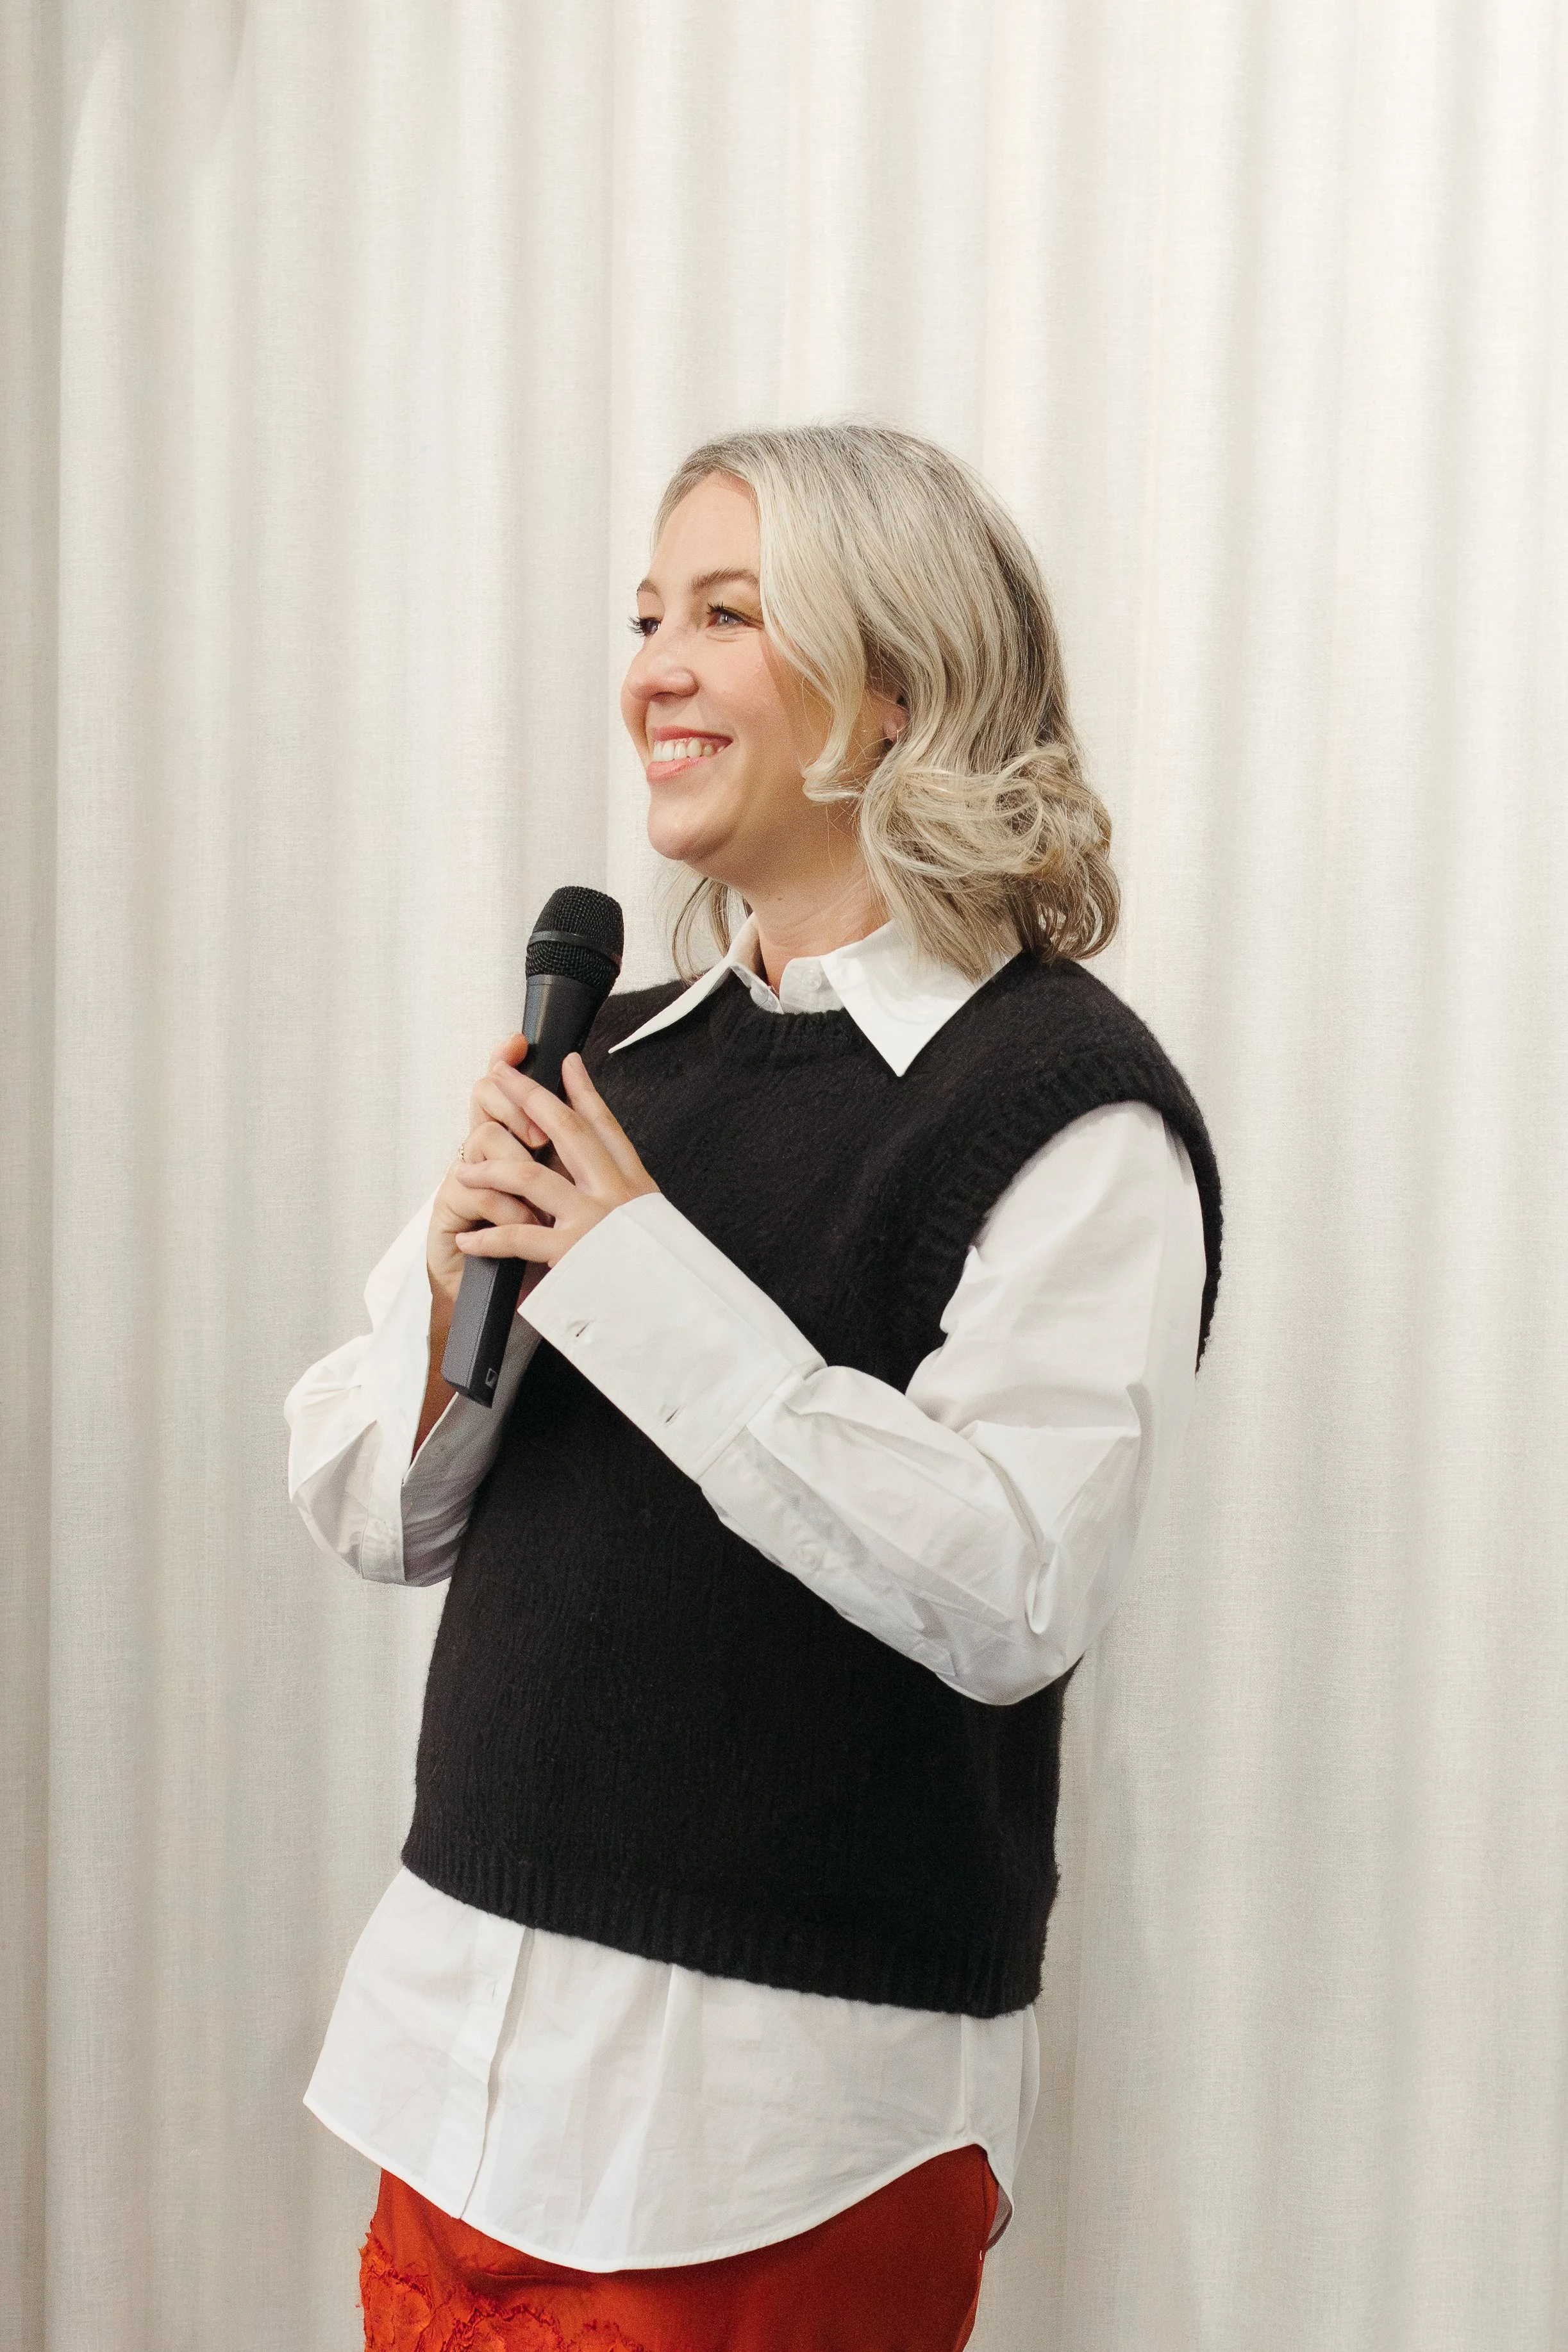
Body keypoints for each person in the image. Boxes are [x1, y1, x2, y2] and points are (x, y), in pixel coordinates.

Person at [285, 421, 1222, 2352]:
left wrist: (638, 1283)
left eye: (726, 612)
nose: (654, 665)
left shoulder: (1058, 1105)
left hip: (769, 2154)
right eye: (648, 613)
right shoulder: (606, 1059)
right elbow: (380, 1510)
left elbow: (1013, 1588)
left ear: (895, 683)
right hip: (448, 2085)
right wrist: (463, 1282)